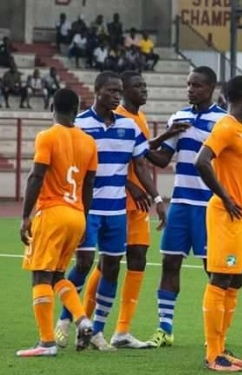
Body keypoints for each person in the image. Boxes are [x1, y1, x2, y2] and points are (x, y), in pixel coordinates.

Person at [54, 71, 167, 352]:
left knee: (112, 268)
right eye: (112, 91)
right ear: (97, 92)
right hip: (87, 209)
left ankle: (97, 331)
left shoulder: (129, 127)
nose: (117, 96)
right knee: (83, 264)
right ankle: (66, 319)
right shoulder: (79, 125)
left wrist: (157, 197)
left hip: (116, 211)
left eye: (119, 91)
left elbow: (140, 164)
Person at [78, 70, 186, 349]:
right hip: (117, 202)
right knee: (106, 263)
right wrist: (129, 184)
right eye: (137, 86)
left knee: (138, 259)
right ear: (122, 91)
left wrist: (166, 137)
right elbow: (108, 162)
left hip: (139, 205)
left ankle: (122, 330)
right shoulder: (118, 117)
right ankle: (85, 322)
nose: (144, 90)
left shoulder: (138, 119)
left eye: (145, 85)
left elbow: (141, 153)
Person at [145, 66, 228, 348]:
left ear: (211, 89)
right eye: (188, 84)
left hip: (209, 207)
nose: (191, 89)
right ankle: (164, 329)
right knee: (169, 263)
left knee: (213, 269)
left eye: (197, 86)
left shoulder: (224, 121)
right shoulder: (179, 117)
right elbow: (162, 159)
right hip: (180, 203)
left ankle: (215, 336)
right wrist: (159, 138)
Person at [15, 88, 97, 358]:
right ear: (77, 110)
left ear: (52, 107)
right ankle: (83, 319)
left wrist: (26, 215)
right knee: (59, 276)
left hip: (52, 212)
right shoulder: (88, 142)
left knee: (40, 274)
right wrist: (83, 218)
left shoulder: (47, 136)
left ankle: (47, 342)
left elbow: (36, 176)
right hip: (77, 215)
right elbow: (89, 185)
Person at [194, 75, 242, 372]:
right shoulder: (226, 126)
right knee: (220, 279)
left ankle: (221, 348)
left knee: (236, 280)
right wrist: (225, 197)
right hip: (225, 215)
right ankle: (212, 354)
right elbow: (201, 160)